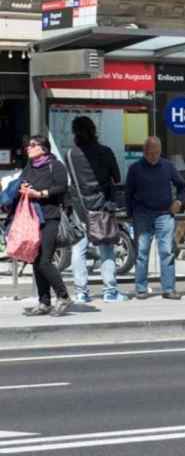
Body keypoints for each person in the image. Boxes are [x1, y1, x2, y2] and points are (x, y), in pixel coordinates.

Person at [66, 116, 127, 303]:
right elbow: (116, 178)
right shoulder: (105, 151)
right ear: (94, 130)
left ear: (74, 132)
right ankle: (110, 291)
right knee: (106, 247)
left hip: (80, 209)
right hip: (102, 207)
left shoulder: (70, 154)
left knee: (79, 249)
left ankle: (81, 292)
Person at [125, 136, 185, 300]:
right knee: (142, 253)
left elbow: (183, 187)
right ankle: (141, 289)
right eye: (150, 153)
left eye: (156, 153)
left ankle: (168, 289)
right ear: (144, 152)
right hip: (142, 215)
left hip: (165, 215)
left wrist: (179, 201)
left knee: (167, 252)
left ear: (160, 152)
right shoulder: (135, 168)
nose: (153, 156)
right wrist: (131, 215)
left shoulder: (168, 166)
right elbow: (128, 193)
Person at [19, 135, 73, 316]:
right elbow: (23, 182)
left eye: (33, 145)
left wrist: (40, 193)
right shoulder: (29, 167)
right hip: (33, 219)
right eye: (28, 145)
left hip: (51, 217)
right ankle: (44, 302)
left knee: (44, 261)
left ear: (44, 148)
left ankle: (63, 296)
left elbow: (61, 187)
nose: (28, 148)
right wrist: (23, 188)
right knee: (35, 260)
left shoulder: (55, 166)